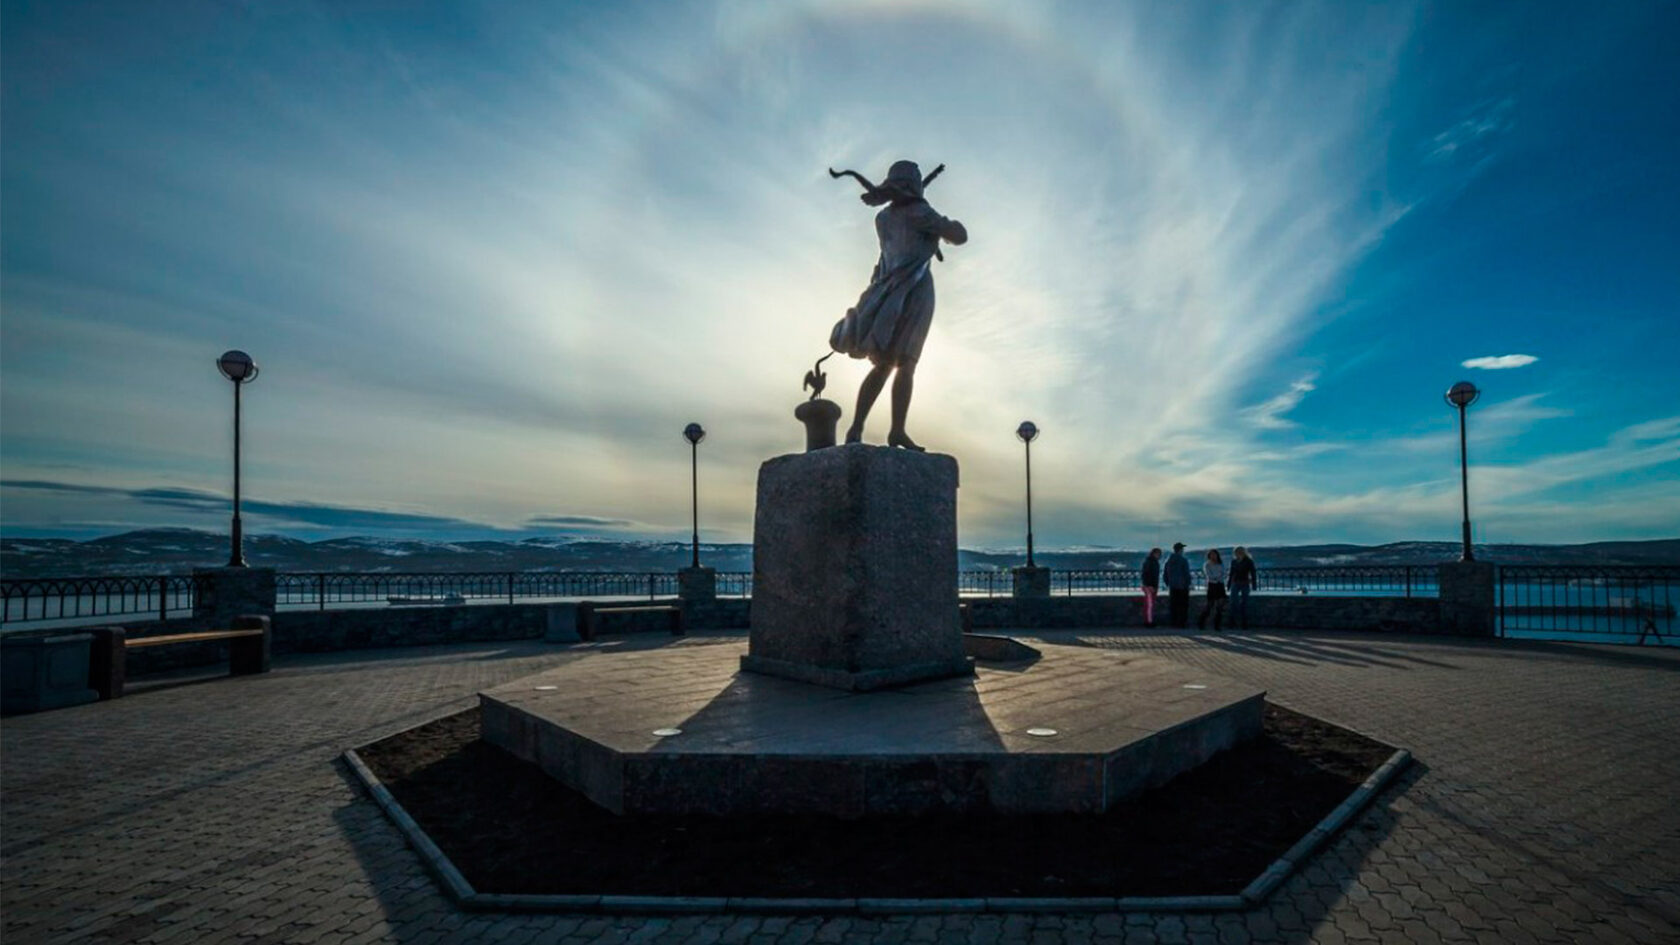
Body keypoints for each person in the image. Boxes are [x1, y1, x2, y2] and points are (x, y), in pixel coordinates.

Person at [828, 160, 968, 451]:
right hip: (915, 289)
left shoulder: (883, 219)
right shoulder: (920, 213)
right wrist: (940, 223)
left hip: (887, 291)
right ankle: (897, 431)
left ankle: (856, 428)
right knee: (906, 363)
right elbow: (960, 235)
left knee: (883, 364)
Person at [1163, 542, 1192, 629]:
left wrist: (1168, 583)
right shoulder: (1183, 560)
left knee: (1174, 605)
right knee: (1183, 605)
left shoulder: (1168, 561)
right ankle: (1182, 623)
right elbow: (1186, 574)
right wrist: (1188, 583)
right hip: (1183, 586)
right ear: (1180, 550)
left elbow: (1165, 575)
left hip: (1173, 586)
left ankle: (1174, 622)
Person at [1198, 548, 1228, 632]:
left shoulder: (1221, 564)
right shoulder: (1207, 565)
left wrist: (1219, 578)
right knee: (1209, 605)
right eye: (1211, 555)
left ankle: (1217, 625)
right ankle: (1201, 622)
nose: (1213, 556)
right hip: (1212, 585)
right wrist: (1215, 578)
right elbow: (1208, 575)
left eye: (1214, 554)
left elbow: (1224, 573)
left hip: (1220, 585)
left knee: (1220, 606)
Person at [1229, 546, 1257, 630]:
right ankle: (1232, 622)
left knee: (1244, 603)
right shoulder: (1234, 561)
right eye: (1237, 552)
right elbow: (1231, 573)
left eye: (1240, 552)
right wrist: (1229, 585)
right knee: (1233, 602)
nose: (1238, 553)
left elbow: (1253, 573)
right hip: (1235, 583)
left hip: (1245, 583)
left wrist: (1254, 585)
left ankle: (1244, 623)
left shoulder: (1249, 561)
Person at [1139, 548, 1162, 628]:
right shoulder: (1151, 562)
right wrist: (1149, 585)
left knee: (1149, 604)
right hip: (1149, 586)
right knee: (1149, 605)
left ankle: (1149, 620)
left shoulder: (1151, 562)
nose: (1159, 556)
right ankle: (1149, 622)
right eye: (1158, 554)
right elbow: (1147, 575)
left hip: (1151, 586)